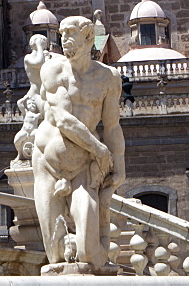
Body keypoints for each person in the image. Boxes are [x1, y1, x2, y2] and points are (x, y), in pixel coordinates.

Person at [31, 16, 125, 267]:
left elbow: (112, 126)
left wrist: (120, 167)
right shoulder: (53, 70)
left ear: (88, 38)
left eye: (70, 34)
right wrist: (100, 151)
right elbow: (62, 119)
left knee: (88, 252)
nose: (64, 40)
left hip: (84, 167)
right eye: (62, 34)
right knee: (56, 257)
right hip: (48, 164)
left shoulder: (108, 77)